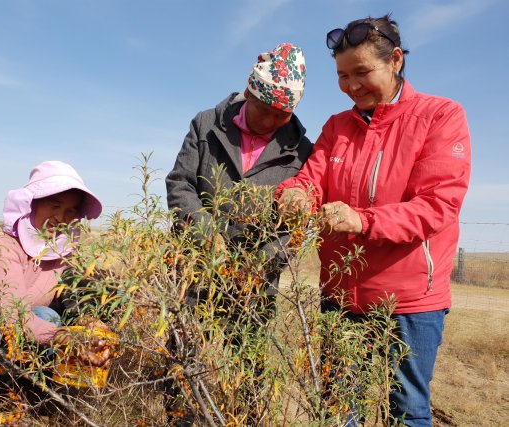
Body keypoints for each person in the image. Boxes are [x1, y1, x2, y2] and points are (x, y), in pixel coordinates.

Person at [276, 15, 471, 427]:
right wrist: (294, 193)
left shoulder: (441, 116)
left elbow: (437, 206)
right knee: (338, 410)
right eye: (343, 76)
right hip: (341, 296)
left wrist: (360, 221)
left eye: (362, 72)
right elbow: (312, 180)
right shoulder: (337, 126)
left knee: (408, 410)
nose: (351, 86)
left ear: (396, 60)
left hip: (411, 303)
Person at [165, 43, 313, 424]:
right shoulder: (206, 123)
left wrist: (260, 262)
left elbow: (295, 226)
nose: (272, 121)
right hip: (196, 266)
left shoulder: (301, 151)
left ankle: (244, 418)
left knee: (248, 359)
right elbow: (180, 185)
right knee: (184, 350)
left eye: (283, 114)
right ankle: (179, 416)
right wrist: (206, 233)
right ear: (249, 93)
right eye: (266, 110)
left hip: (255, 281)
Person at [0, 160, 113, 377]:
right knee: (37, 320)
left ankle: (28, 387)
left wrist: (90, 325)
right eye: (55, 205)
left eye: (70, 211)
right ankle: (4, 387)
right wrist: (70, 339)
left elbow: (72, 299)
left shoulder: (64, 255)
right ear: (33, 203)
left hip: (11, 341)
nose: (60, 218)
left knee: (50, 317)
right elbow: (17, 321)